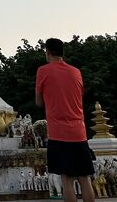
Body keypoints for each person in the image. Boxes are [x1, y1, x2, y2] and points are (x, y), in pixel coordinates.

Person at [35, 38, 95, 202]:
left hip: (58, 132)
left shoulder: (43, 71)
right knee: (84, 178)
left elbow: (39, 102)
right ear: (62, 52)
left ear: (47, 52)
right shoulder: (75, 71)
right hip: (79, 132)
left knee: (66, 178)